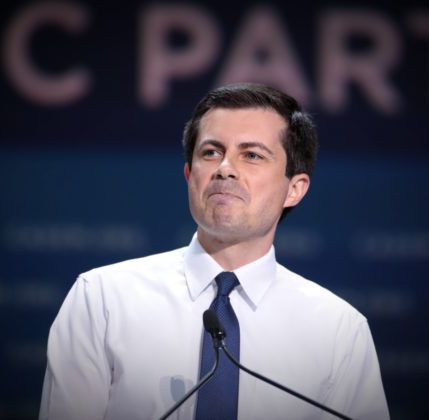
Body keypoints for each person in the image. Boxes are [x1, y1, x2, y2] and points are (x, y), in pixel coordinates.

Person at [38, 83, 390, 420]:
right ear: (190, 175)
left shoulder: (338, 330)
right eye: (211, 153)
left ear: (294, 189)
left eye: (251, 155)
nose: (225, 169)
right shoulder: (103, 299)